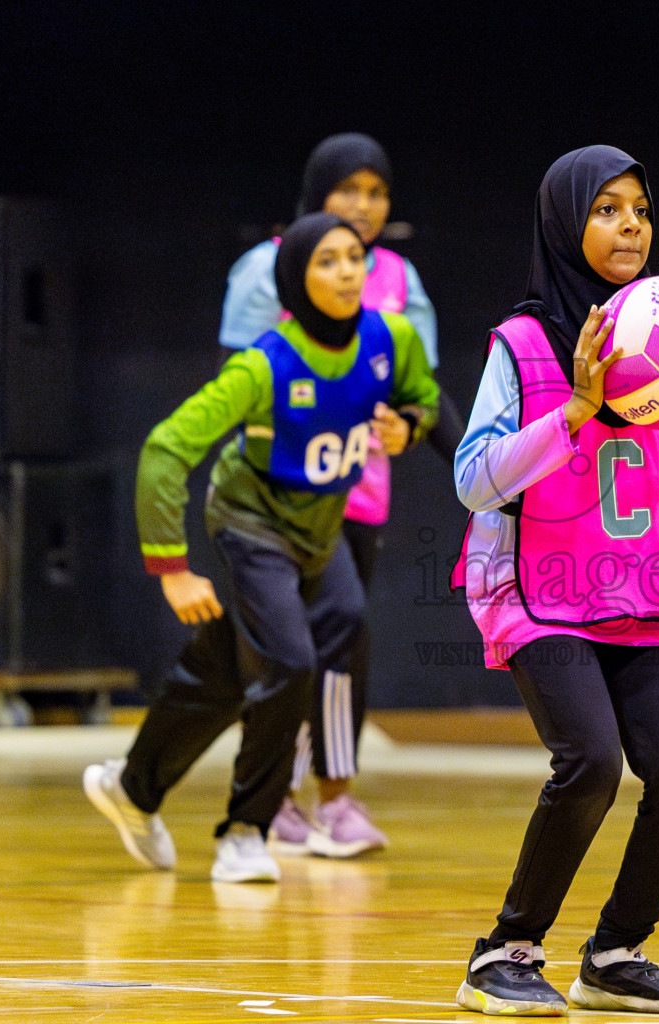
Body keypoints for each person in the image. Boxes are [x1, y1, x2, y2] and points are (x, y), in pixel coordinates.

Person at [449, 146, 659, 1015]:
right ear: (564, 225)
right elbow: (474, 480)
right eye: (605, 210)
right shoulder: (522, 344)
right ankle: (505, 951)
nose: (629, 224)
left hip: (637, 592)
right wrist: (575, 409)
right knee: (591, 761)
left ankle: (616, 952)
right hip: (532, 588)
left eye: (639, 208)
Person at [83, 213, 438, 883]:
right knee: (291, 661)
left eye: (354, 258)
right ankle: (247, 828)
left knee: (228, 668)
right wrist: (171, 569)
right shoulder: (264, 365)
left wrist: (407, 427)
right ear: (295, 281)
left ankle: (132, 789)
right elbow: (164, 450)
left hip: (317, 530)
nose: (346, 272)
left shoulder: (391, 339)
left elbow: (420, 401)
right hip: (252, 523)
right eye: (326, 261)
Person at [220, 133, 464, 856]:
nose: (363, 206)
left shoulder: (397, 279)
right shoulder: (265, 269)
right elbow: (244, 385)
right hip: (277, 499)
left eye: (377, 192)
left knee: (343, 642)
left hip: (359, 494)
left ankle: (330, 799)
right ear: (316, 195)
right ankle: (287, 795)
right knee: (290, 646)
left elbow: (418, 395)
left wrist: (412, 427)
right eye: (348, 189)